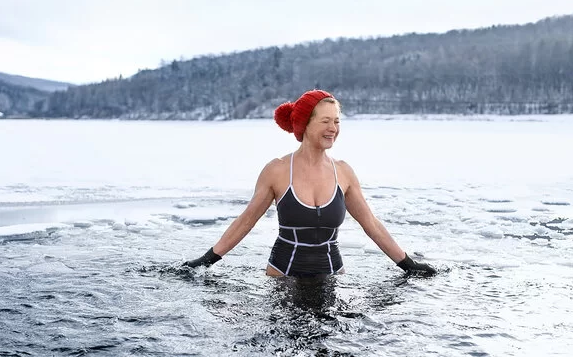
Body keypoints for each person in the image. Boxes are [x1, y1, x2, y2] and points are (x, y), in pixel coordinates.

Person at [183, 89, 437, 277]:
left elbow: (371, 224)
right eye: (325, 121)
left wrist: (408, 265)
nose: (333, 128)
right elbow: (246, 221)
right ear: (305, 124)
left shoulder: (344, 173)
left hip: (332, 276)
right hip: (283, 277)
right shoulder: (278, 170)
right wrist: (206, 260)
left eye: (337, 121)